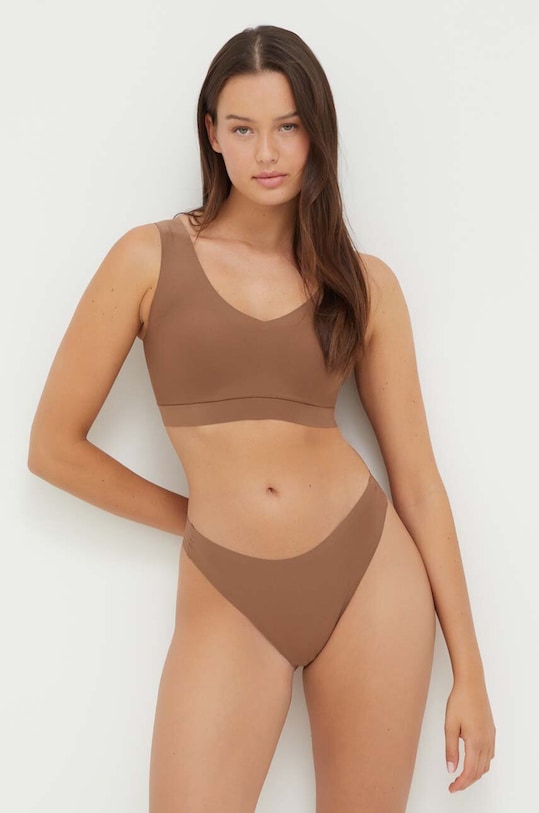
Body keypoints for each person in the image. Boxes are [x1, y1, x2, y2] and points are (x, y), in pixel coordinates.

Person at [28, 24, 495, 813]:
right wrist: (193, 519)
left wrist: (470, 673)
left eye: (287, 126)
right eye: (243, 129)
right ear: (212, 134)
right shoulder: (146, 258)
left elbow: (417, 481)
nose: (267, 152)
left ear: (316, 133)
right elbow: (52, 447)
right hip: (229, 582)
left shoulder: (363, 283)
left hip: (369, 573)